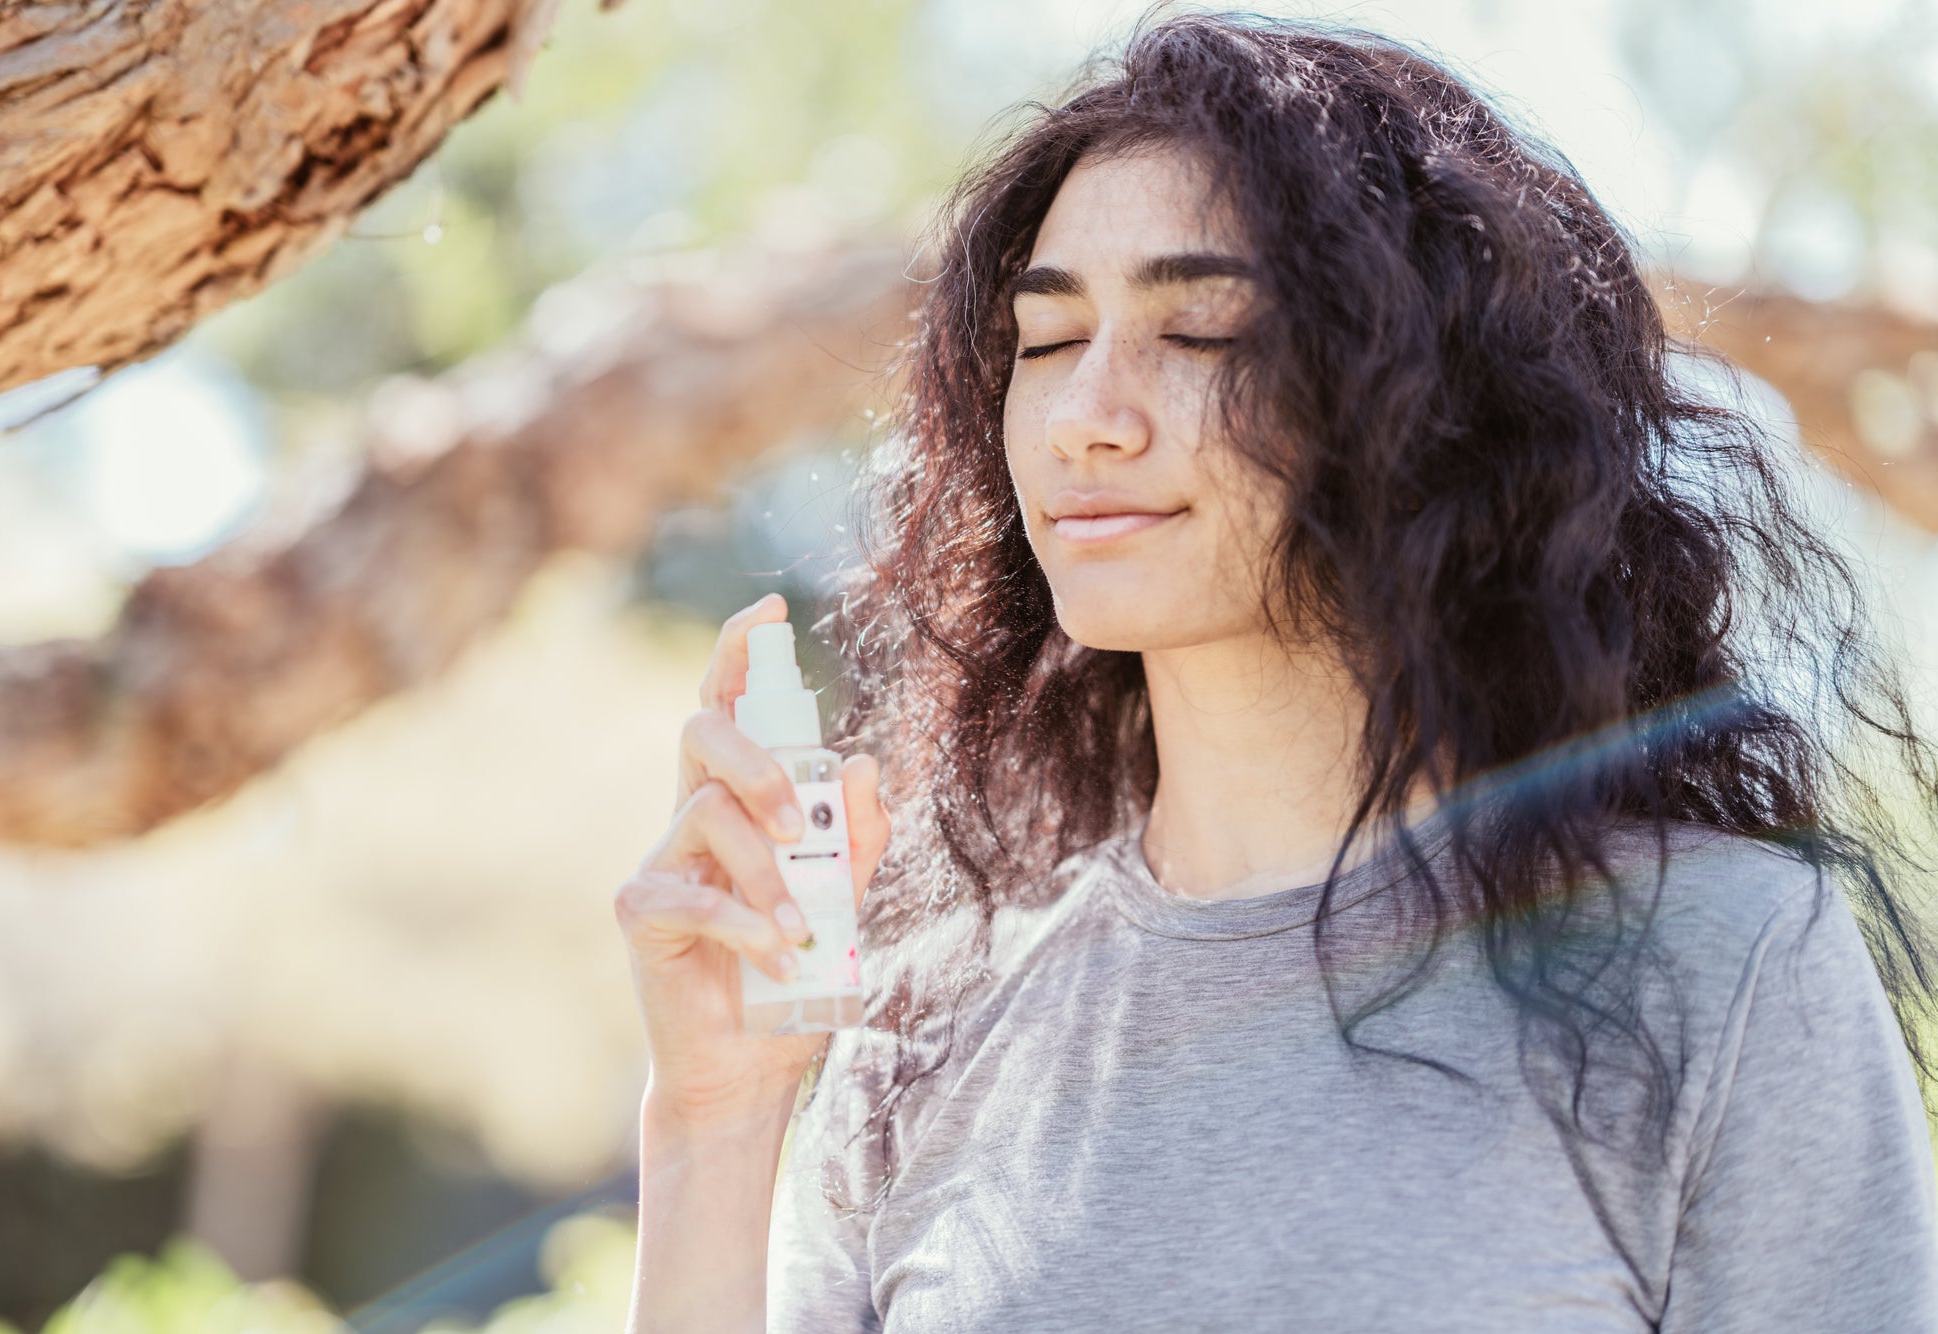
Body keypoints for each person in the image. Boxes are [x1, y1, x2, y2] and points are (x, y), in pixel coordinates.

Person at [616, 10, 1938, 1332]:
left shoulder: (1725, 965)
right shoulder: (920, 1030)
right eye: (1049, 342)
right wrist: (713, 1124)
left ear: (1420, 402)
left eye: (1200, 333)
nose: (1087, 417)